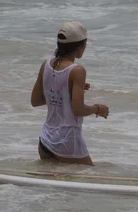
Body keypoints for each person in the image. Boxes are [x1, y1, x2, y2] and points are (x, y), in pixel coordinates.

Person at [31, 21, 109, 166]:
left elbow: (35, 101)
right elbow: (78, 109)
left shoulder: (46, 65)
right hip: (67, 141)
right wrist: (98, 109)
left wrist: (68, 91)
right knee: (90, 179)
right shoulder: (77, 70)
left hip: (46, 140)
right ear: (79, 47)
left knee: (55, 186)